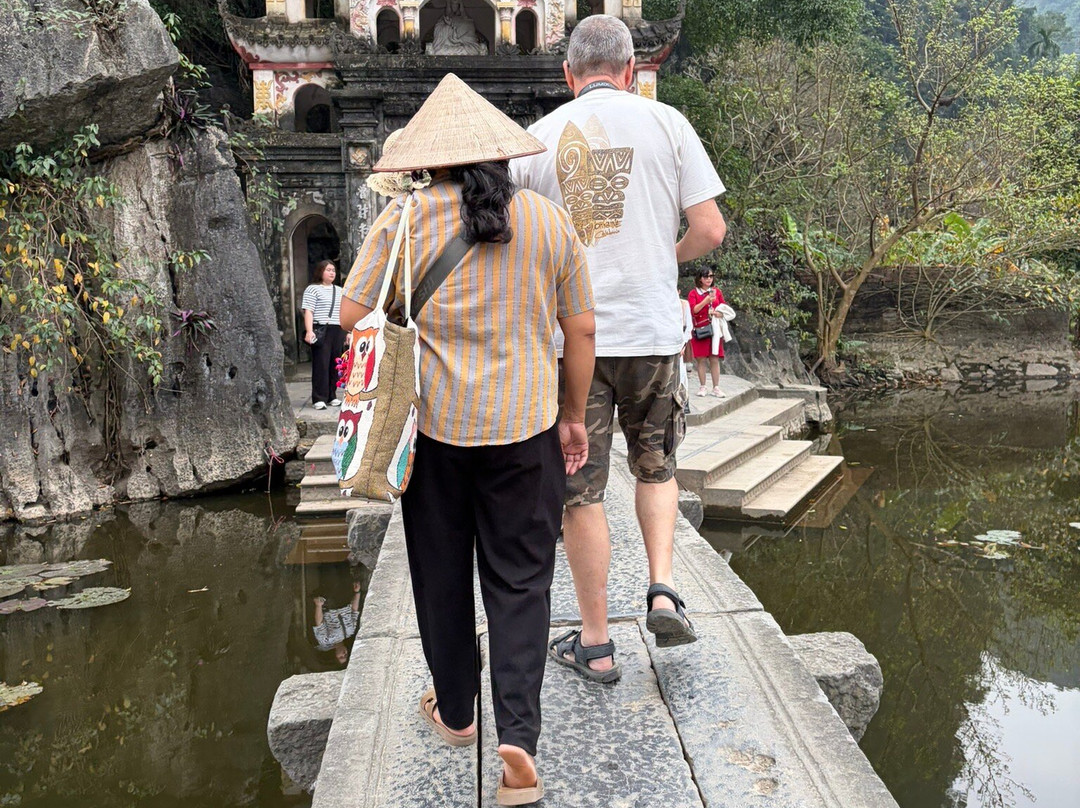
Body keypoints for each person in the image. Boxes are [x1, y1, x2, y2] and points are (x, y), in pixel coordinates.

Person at [339, 74, 595, 806]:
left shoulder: (406, 221)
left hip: (434, 436)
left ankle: (456, 713)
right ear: (503, 158)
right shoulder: (549, 221)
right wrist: (572, 414)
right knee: (521, 581)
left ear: (431, 161)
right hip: (525, 432)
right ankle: (517, 734)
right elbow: (580, 330)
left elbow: (354, 317)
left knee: (442, 574)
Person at [511, 14, 727, 682]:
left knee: (581, 491)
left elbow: (519, 250)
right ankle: (662, 586)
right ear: (632, 71)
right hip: (654, 336)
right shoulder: (669, 125)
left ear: (567, 75)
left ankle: (598, 644)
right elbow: (710, 229)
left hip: (570, 345)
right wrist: (661, 261)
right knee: (656, 468)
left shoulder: (535, 142)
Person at [301, 259, 347, 410]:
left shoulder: (340, 291)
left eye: (333, 270)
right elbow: (309, 311)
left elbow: (344, 313)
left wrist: (349, 332)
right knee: (321, 363)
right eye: (328, 270)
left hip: (337, 329)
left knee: (335, 363)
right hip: (321, 329)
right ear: (321, 272)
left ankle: (332, 395)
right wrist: (309, 331)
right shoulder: (313, 290)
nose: (331, 273)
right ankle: (319, 397)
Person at [687, 267, 726, 397]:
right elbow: (694, 310)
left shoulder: (717, 292)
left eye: (710, 276)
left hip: (714, 329)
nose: (708, 279)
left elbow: (724, 308)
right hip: (700, 330)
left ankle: (716, 387)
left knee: (714, 358)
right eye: (705, 277)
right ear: (700, 279)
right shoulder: (694, 293)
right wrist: (706, 301)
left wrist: (719, 313)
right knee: (701, 359)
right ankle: (703, 386)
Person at [312, 582, 361, 665]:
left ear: (334, 655)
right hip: (345, 599)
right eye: (346, 655)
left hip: (330, 604)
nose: (344, 653)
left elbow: (319, 623)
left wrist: (318, 605)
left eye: (341, 656)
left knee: (331, 576)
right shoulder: (350, 633)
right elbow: (354, 612)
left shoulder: (325, 641)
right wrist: (357, 592)